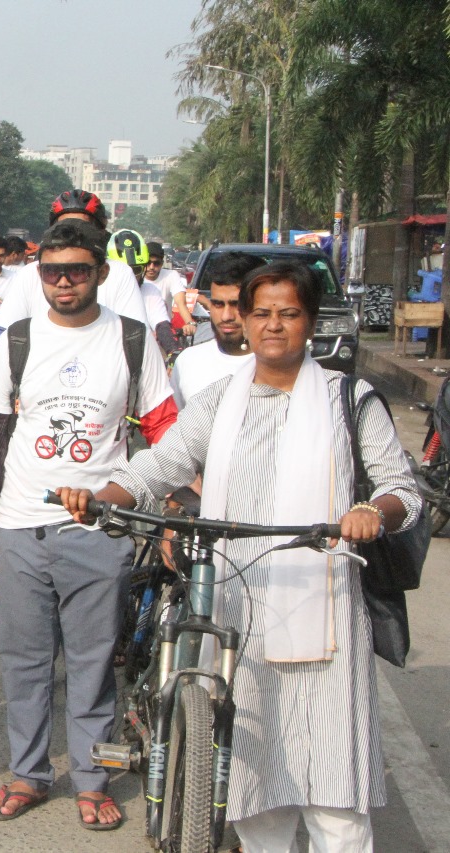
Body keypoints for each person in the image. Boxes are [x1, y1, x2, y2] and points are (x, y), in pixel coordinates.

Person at [55, 260, 421, 852]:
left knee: (335, 798)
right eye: (262, 313)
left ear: (310, 320)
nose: (274, 326)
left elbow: (401, 489)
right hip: (235, 610)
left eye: (289, 313)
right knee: (250, 790)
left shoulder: (348, 399)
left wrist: (373, 514)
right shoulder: (218, 401)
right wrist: (101, 497)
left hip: (324, 610)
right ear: (243, 321)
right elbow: (160, 464)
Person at [0, 219, 177, 829]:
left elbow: (164, 432)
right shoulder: (16, 340)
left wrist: (165, 510)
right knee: (24, 661)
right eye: (52, 271)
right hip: (19, 526)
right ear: (40, 275)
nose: (63, 282)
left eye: (77, 271)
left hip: (101, 531)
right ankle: (28, 774)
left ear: (100, 275)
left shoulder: (134, 341)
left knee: (90, 662)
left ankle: (91, 777)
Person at [0, 189, 148, 349]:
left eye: (82, 227)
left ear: (102, 273)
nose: (73, 234)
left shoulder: (120, 274)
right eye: (66, 227)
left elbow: (137, 340)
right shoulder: (29, 274)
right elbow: (1, 337)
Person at [171, 251, 263, 405]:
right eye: (218, 304)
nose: (226, 316)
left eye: (237, 305)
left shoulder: (280, 369)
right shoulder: (188, 362)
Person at [106, 228, 176, 353]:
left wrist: (173, 351)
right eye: (123, 269)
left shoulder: (150, 291)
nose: (129, 276)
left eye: (135, 270)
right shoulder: (97, 292)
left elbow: (161, 325)